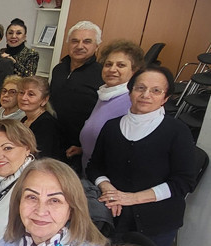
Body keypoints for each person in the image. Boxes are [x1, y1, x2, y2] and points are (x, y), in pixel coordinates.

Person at [86, 66, 196, 246]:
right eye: (140, 88)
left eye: (156, 90)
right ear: (130, 92)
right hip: (112, 215)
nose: (146, 95)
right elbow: (94, 166)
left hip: (157, 222)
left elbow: (184, 181)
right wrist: (108, 189)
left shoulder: (178, 131)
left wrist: (131, 198)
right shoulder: (112, 127)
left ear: (165, 98)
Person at [80, 40, 144, 173]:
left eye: (121, 65)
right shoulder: (105, 94)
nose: (112, 69)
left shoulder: (132, 101)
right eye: (108, 64)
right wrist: (83, 148)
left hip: (107, 176)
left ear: (134, 71)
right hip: (89, 167)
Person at [49, 21, 103, 173]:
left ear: (97, 46)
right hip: (53, 141)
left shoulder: (101, 74)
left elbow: (103, 117)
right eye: (75, 41)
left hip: (79, 149)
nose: (80, 46)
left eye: (87, 41)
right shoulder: (59, 69)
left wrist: (85, 147)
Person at [18, 76, 62, 159]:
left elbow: (41, 157)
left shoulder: (47, 124)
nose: (23, 98)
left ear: (44, 100)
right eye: (21, 92)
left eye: (31, 94)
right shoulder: (24, 120)